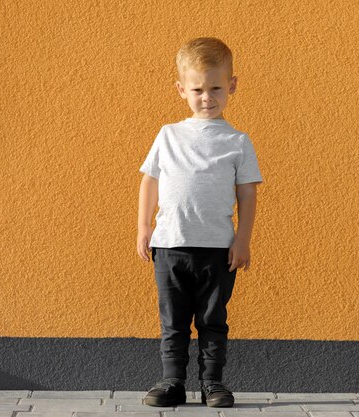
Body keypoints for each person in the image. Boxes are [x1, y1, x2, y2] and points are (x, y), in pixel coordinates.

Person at [136, 37, 263, 408]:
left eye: (216, 88)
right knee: (173, 322)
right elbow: (150, 180)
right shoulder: (168, 135)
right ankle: (172, 381)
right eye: (197, 89)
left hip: (217, 250)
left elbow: (248, 194)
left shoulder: (238, 142)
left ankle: (212, 383)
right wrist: (144, 227)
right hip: (170, 246)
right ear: (181, 90)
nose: (207, 97)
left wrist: (243, 239)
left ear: (232, 86)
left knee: (212, 321)